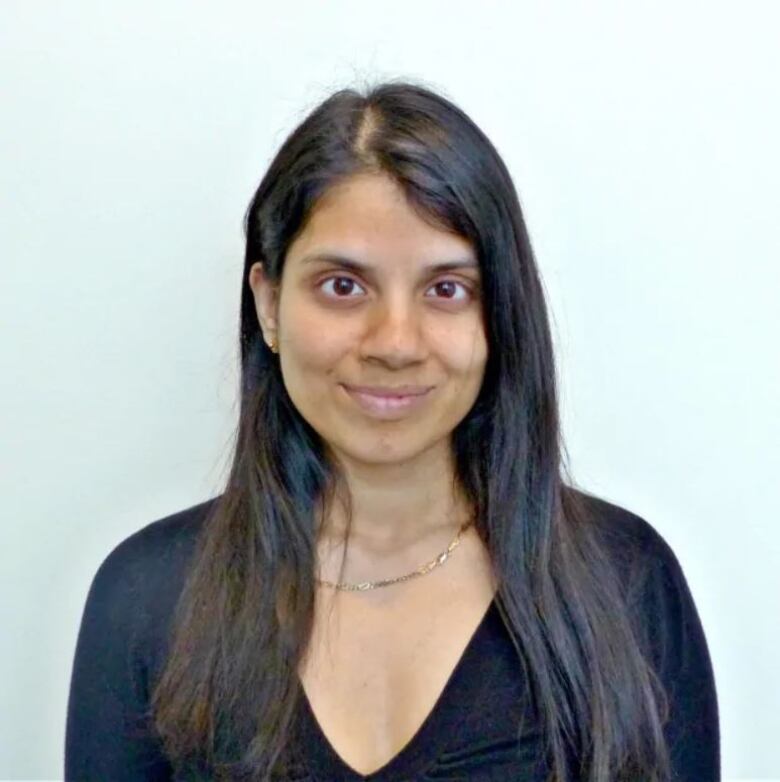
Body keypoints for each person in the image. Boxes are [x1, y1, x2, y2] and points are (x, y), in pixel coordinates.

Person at [65, 80, 720, 781]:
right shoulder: (145, 599)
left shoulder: (625, 586)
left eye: (447, 289)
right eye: (344, 285)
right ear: (269, 303)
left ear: (499, 315)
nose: (396, 343)